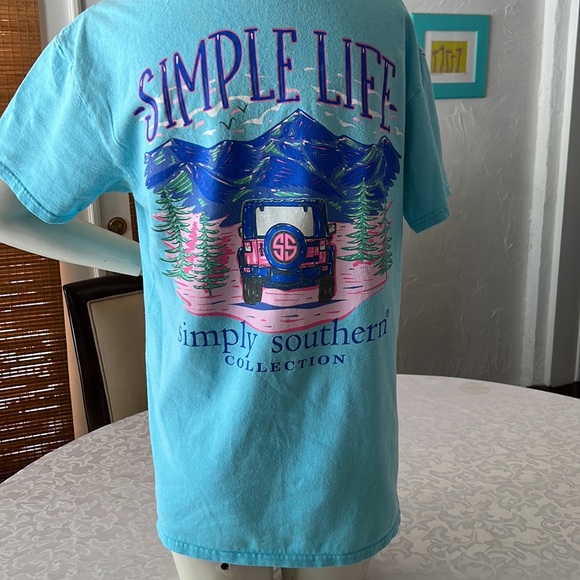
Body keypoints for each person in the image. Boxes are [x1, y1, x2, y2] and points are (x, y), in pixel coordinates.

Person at [0, 0, 451, 578]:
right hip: (337, 449)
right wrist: (147, 261)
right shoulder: (383, 14)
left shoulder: (113, 34)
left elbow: (8, 210)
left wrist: (143, 262)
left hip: (225, 456)